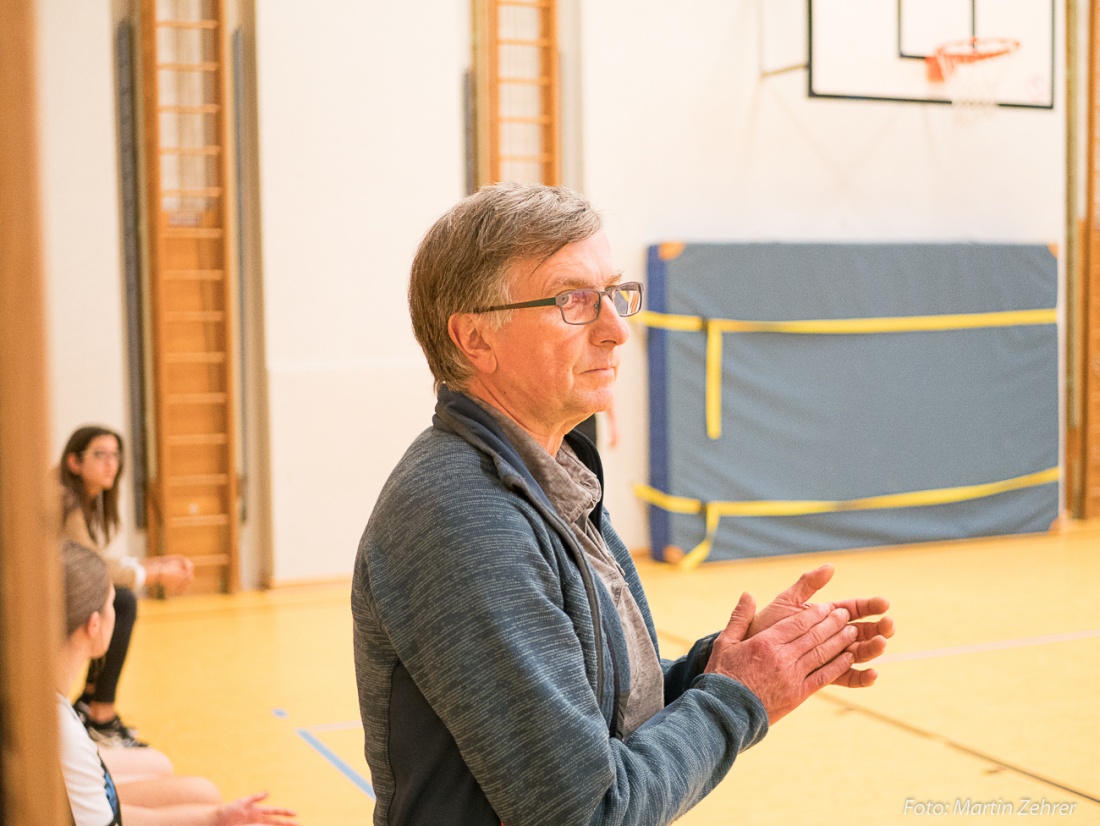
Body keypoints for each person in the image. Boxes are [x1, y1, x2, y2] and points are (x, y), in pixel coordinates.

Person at [351, 182, 894, 825]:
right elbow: (588, 813)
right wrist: (739, 695)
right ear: (475, 339)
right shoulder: (466, 517)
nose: (615, 330)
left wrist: (726, 665)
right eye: (573, 301)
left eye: (613, 294)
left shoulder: (552, 474)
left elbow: (604, 714)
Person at [58, 540, 297, 826]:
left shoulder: (49, 703)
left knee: (199, 791)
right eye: (112, 604)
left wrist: (212, 818)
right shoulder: (63, 735)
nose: (119, 609)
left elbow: (113, 813)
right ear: (93, 625)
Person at [59, 425, 195, 747]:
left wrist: (154, 564)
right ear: (74, 462)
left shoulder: (80, 496)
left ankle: (90, 704)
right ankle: (100, 716)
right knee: (122, 601)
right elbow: (94, 567)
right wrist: (156, 574)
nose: (111, 464)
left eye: (116, 456)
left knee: (119, 599)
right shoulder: (64, 499)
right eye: (100, 455)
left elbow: (95, 558)